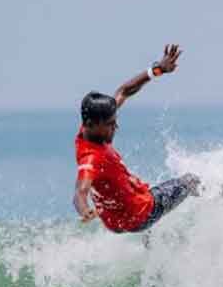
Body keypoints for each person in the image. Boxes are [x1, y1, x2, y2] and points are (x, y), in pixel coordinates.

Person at [73, 44, 201, 233]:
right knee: (191, 181)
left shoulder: (90, 129)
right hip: (140, 214)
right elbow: (80, 191)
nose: (115, 127)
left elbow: (124, 91)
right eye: (110, 124)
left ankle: (151, 238)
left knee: (140, 190)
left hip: (116, 221)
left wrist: (158, 69)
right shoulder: (91, 158)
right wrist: (84, 210)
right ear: (92, 124)